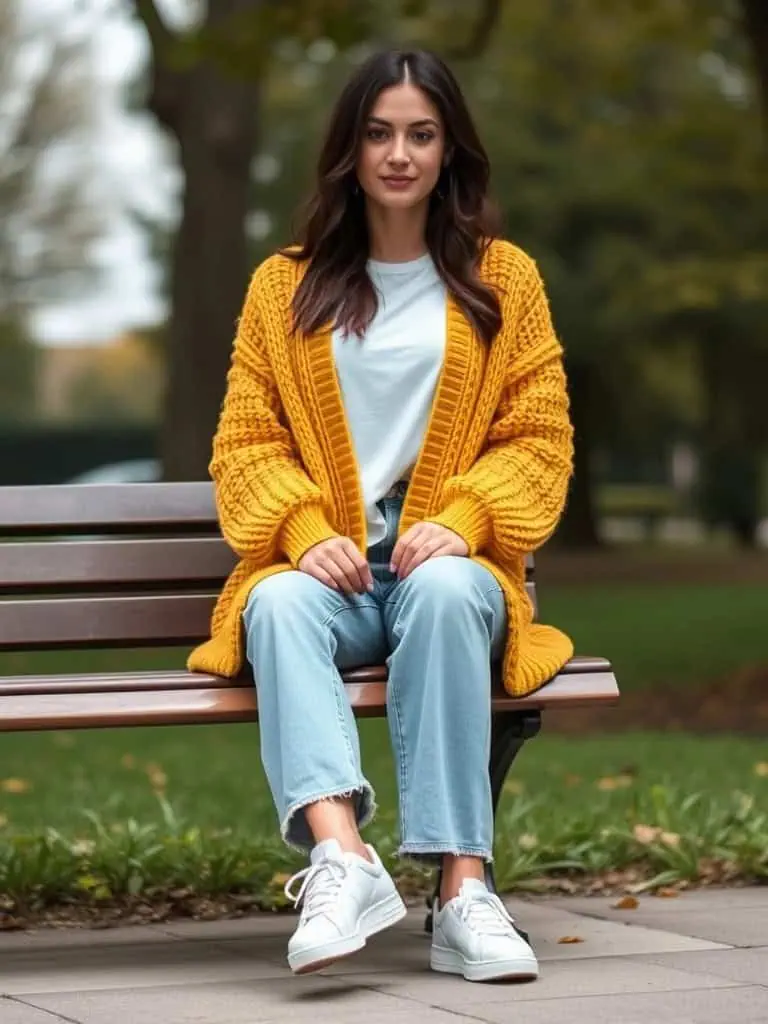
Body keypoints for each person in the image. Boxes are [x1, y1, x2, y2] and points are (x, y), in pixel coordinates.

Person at [189, 48, 574, 983]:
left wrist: (474, 513)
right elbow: (245, 441)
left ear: (450, 152)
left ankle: (463, 894)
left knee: (444, 591)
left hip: (447, 568)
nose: (398, 153)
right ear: (348, 149)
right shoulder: (284, 286)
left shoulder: (503, 280)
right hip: (334, 570)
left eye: (421, 134)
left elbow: (540, 436)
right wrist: (300, 530)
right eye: (378, 133)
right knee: (273, 605)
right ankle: (343, 858)